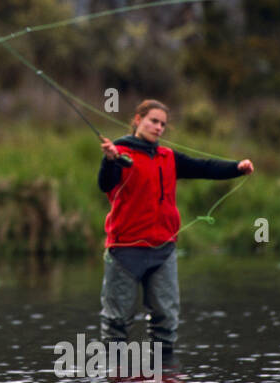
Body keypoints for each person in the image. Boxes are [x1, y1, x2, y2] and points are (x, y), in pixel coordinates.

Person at [97, 99, 254, 357]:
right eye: (153, 121)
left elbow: (204, 167)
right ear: (138, 120)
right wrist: (110, 161)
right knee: (117, 323)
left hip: (163, 249)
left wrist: (236, 168)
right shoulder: (120, 153)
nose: (158, 128)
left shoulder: (168, 157)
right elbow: (105, 184)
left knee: (166, 319)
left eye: (163, 124)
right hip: (125, 249)